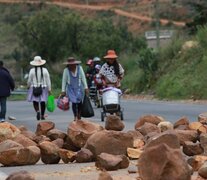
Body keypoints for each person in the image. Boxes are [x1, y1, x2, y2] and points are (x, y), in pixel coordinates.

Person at [61, 57, 89, 121]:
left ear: (75, 64)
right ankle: (75, 116)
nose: (71, 66)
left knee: (79, 102)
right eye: (70, 65)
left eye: (72, 64)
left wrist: (86, 87)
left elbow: (83, 78)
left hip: (79, 87)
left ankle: (79, 114)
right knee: (74, 102)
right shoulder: (66, 70)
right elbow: (64, 80)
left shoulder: (80, 68)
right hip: (70, 88)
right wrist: (63, 90)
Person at [27, 56, 51, 120]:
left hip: (34, 87)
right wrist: (49, 89)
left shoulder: (31, 70)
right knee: (43, 101)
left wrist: (28, 86)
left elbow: (29, 80)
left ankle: (37, 111)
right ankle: (42, 115)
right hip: (43, 87)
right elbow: (48, 80)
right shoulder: (45, 70)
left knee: (35, 101)